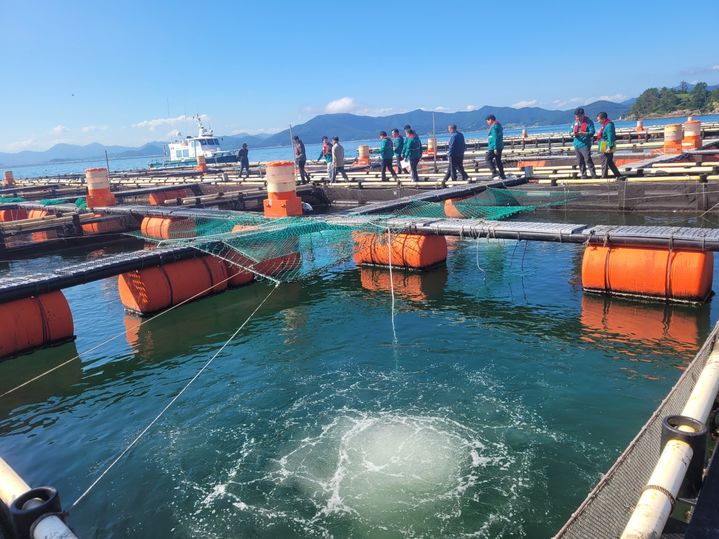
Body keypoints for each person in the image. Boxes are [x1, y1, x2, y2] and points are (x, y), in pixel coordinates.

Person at [572, 107, 597, 178]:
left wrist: (583, 133)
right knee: (580, 161)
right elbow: (570, 132)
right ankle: (583, 174)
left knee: (587, 159)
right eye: (576, 116)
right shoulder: (575, 122)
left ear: (583, 115)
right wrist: (573, 133)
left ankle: (593, 174)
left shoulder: (589, 122)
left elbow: (592, 132)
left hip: (585, 144)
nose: (578, 118)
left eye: (579, 116)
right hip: (577, 144)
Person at [596, 112, 622, 178]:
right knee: (609, 162)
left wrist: (610, 147)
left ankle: (604, 176)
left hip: (606, 145)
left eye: (599, 120)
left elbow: (611, 137)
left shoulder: (609, 125)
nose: (598, 121)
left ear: (604, 119)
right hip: (604, 144)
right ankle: (617, 174)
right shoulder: (605, 125)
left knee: (604, 162)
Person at [485, 115, 506, 180]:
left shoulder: (494, 126)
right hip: (500, 145)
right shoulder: (499, 125)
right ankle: (502, 175)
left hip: (494, 146)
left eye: (487, 121)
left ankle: (494, 172)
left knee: (487, 158)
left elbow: (495, 137)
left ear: (490, 120)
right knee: (498, 160)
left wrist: (495, 147)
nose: (487, 123)